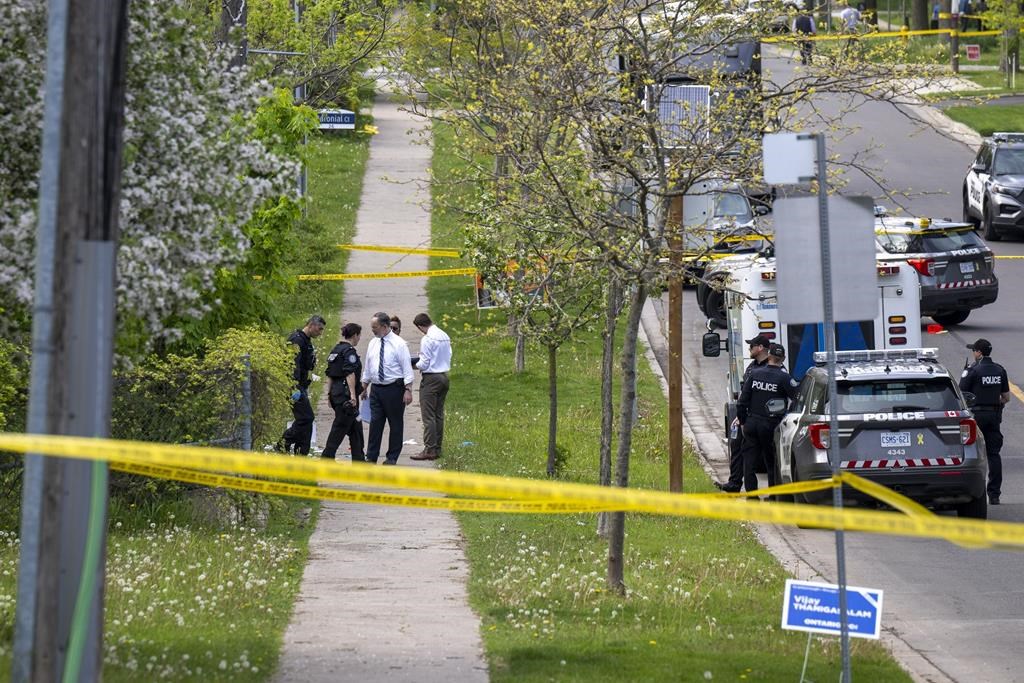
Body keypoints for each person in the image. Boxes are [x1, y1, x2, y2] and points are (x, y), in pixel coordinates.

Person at [737, 343, 799, 495]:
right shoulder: (784, 378)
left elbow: (741, 402)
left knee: (749, 462)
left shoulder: (754, 374)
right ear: (783, 358)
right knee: (771, 462)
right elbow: (797, 399)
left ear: (769, 356)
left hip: (752, 423)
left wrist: (743, 422)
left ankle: (752, 497)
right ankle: (773, 496)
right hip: (771, 425)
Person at [715, 335, 772, 493]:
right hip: (746, 416)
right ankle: (734, 483)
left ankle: (772, 493)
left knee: (763, 457)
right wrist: (740, 417)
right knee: (736, 445)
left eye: (752, 346)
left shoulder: (771, 368)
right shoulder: (752, 367)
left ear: (760, 348)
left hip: (761, 419)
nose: (749, 349)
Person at [959, 338, 1010, 505]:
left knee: (971, 454)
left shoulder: (972, 371)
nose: (973, 353)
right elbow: (1006, 397)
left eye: (974, 350)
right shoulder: (1000, 370)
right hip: (994, 416)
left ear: (979, 352)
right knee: (994, 454)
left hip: (977, 417)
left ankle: (972, 493)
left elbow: (960, 396)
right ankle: (994, 495)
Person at [360, 312, 415, 465]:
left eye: (375, 327)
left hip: (394, 389)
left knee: (395, 423)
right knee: (375, 422)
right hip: (377, 389)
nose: (373, 330)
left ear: (385, 327)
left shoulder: (399, 344)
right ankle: (371, 456)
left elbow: (406, 368)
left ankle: (392, 457)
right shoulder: (373, 343)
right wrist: (364, 386)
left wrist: (408, 389)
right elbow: (369, 367)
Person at [279, 314, 325, 455]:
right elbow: (292, 365)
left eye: (322, 330)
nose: (320, 332)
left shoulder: (306, 340)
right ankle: (283, 443)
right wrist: (293, 387)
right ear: (310, 325)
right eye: (319, 328)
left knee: (305, 420)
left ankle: (301, 452)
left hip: (301, 386)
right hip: (294, 387)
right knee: (306, 418)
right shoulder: (297, 340)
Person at [410, 313, 452, 461]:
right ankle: (437, 448)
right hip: (443, 376)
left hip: (431, 378)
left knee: (428, 416)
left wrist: (413, 364)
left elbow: (425, 362)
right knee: (438, 415)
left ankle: (429, 449)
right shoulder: (444, 335)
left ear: (420, 326)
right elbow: (449, 354)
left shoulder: (427, 338)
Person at [322, 323, 365, 461]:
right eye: (359, 336)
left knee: (355, 428)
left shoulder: (336, 350)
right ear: (355, 335)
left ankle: (359, 459)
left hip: (336, 393)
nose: (359, 339)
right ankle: (327, 457)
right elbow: (350, 373)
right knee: (340, 427)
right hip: (346, 396)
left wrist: (329, 395)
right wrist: (353, 396)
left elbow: (330, 374)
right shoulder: (349, 351)